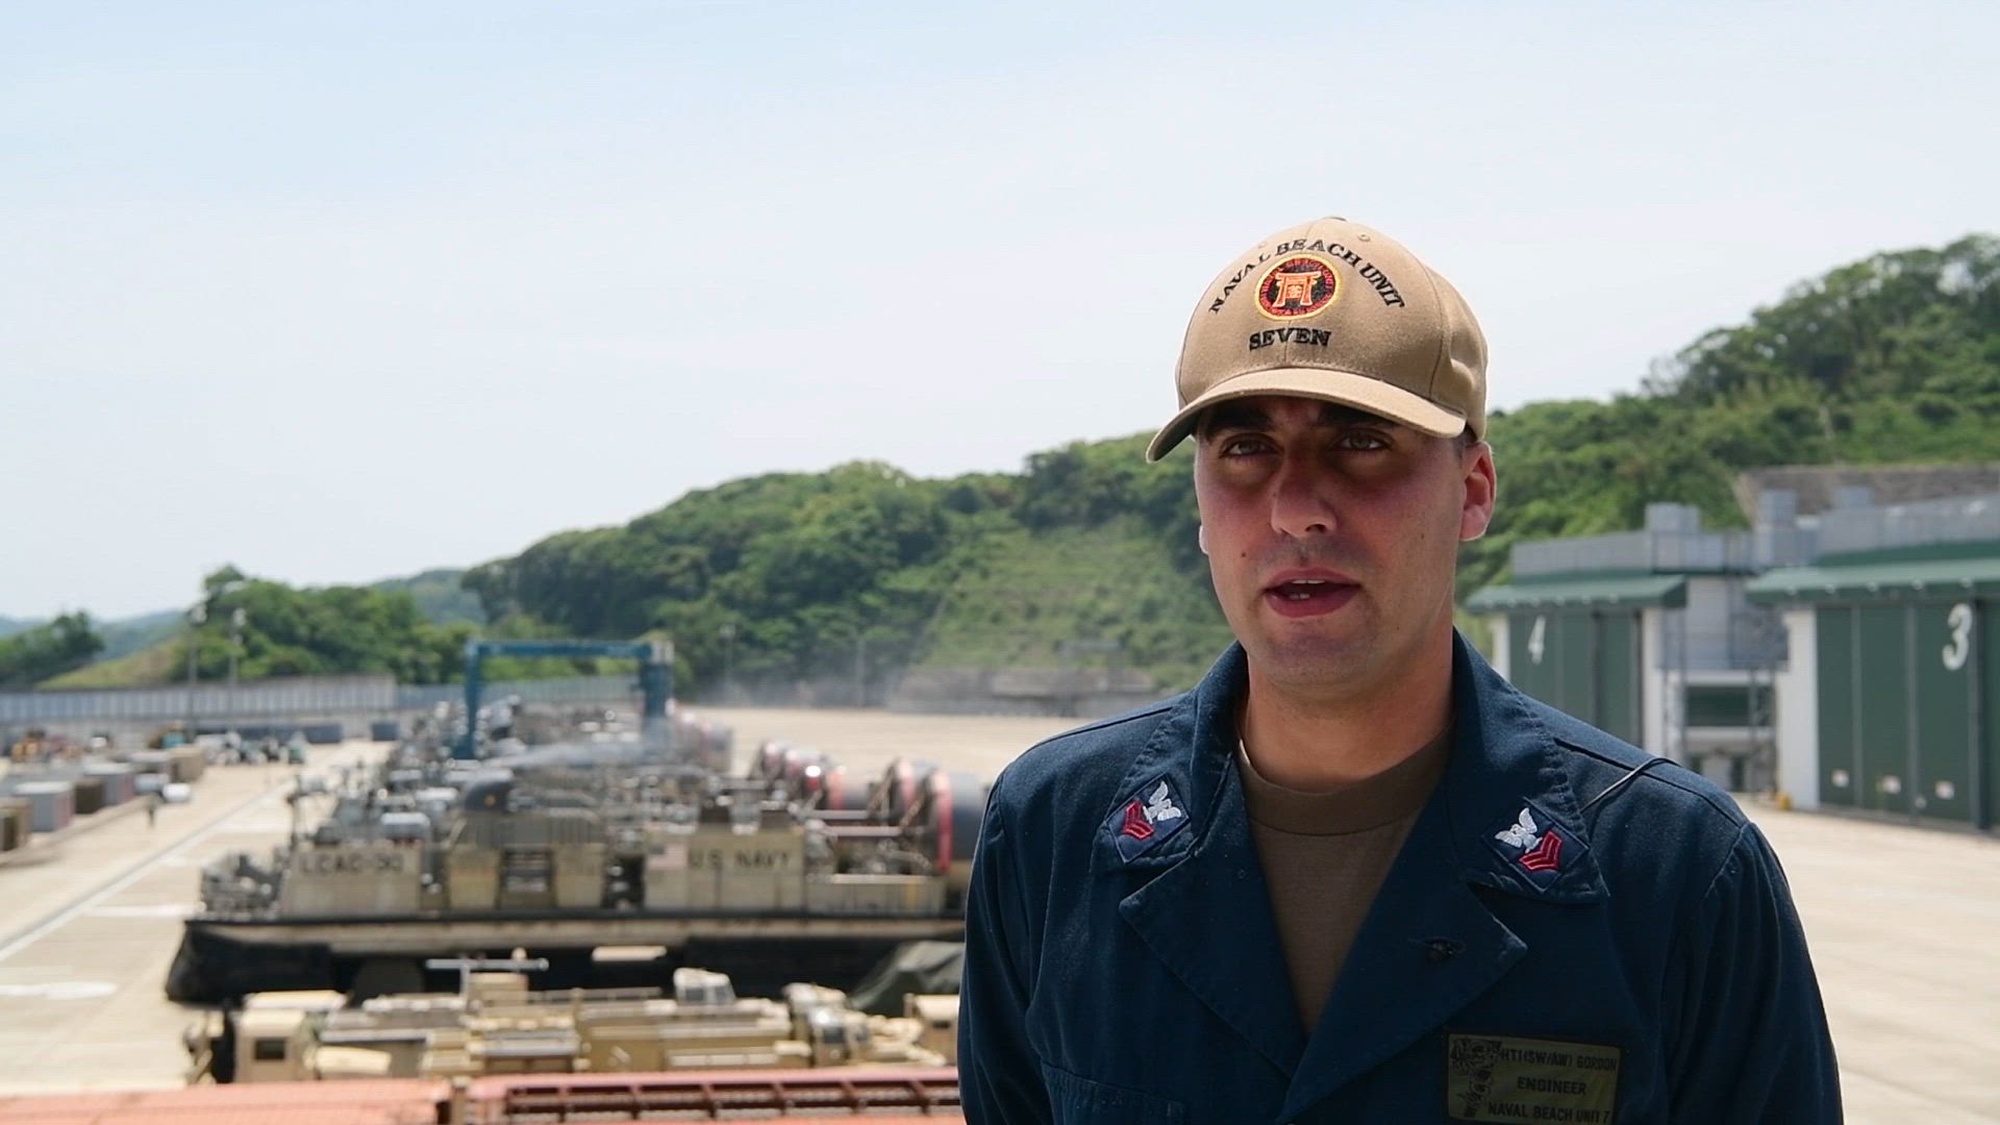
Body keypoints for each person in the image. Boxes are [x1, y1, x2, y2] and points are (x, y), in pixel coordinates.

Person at [957, 216, 1841, 1123]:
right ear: (1199, 505)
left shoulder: (1674, 872)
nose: (1296, 508)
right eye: (1245, 448)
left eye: (1363, 440)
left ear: (1474, 489)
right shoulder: (1053, 836)